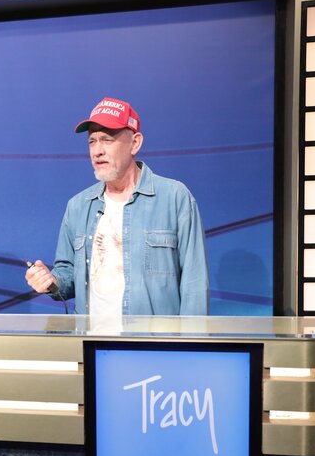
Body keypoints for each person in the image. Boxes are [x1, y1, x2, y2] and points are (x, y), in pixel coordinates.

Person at [26, 97, 209, 316]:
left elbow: (194, 285)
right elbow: (69, 273)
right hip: (93, 342)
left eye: (107, 139)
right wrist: (52, 281)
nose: (97, 151)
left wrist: (191, 346)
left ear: (135, 143)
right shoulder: (78, 206)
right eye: (92, 141)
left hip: (154, 344)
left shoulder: (174, 197)